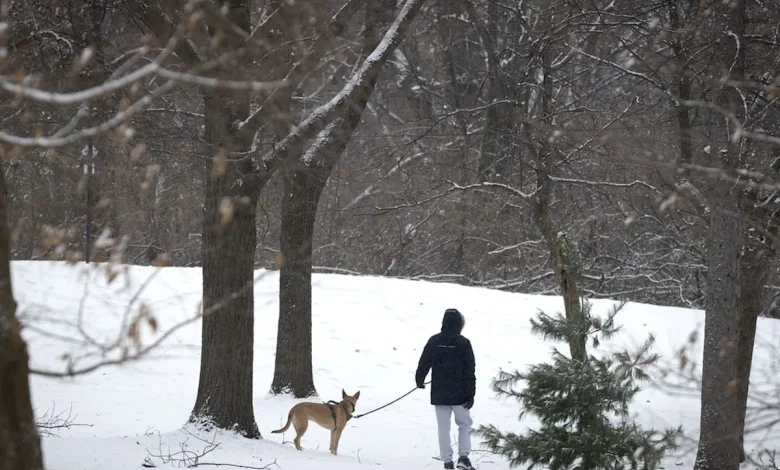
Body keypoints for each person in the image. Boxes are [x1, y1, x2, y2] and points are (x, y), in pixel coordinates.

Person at [415, 308, 476, 470]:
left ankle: (447, 461)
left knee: (443, 428)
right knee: (464, 424)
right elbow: (470, 370)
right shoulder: (464, 343)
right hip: (460, 393)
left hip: (439, 392)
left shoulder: (434, 340)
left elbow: (424, 362)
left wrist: (419, 379)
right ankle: (463, 458)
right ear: (459, 324)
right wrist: (471, 393)